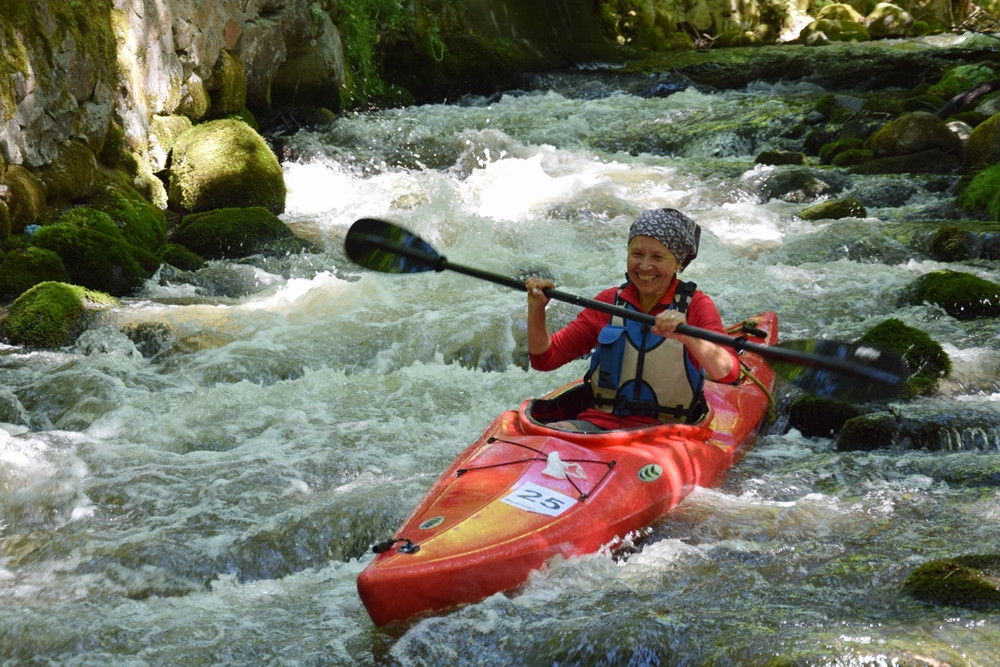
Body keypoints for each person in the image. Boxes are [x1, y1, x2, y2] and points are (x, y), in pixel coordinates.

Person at [526, 208, 740, 431]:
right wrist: (537, 310)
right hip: (598, 425)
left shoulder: (697, 305)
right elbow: (545, 360)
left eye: (657, 257)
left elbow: (729, 373)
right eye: (637, 254)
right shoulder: (608, 302)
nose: (645, 266)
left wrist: (689, 337)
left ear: (677, 262)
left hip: (668, 434)